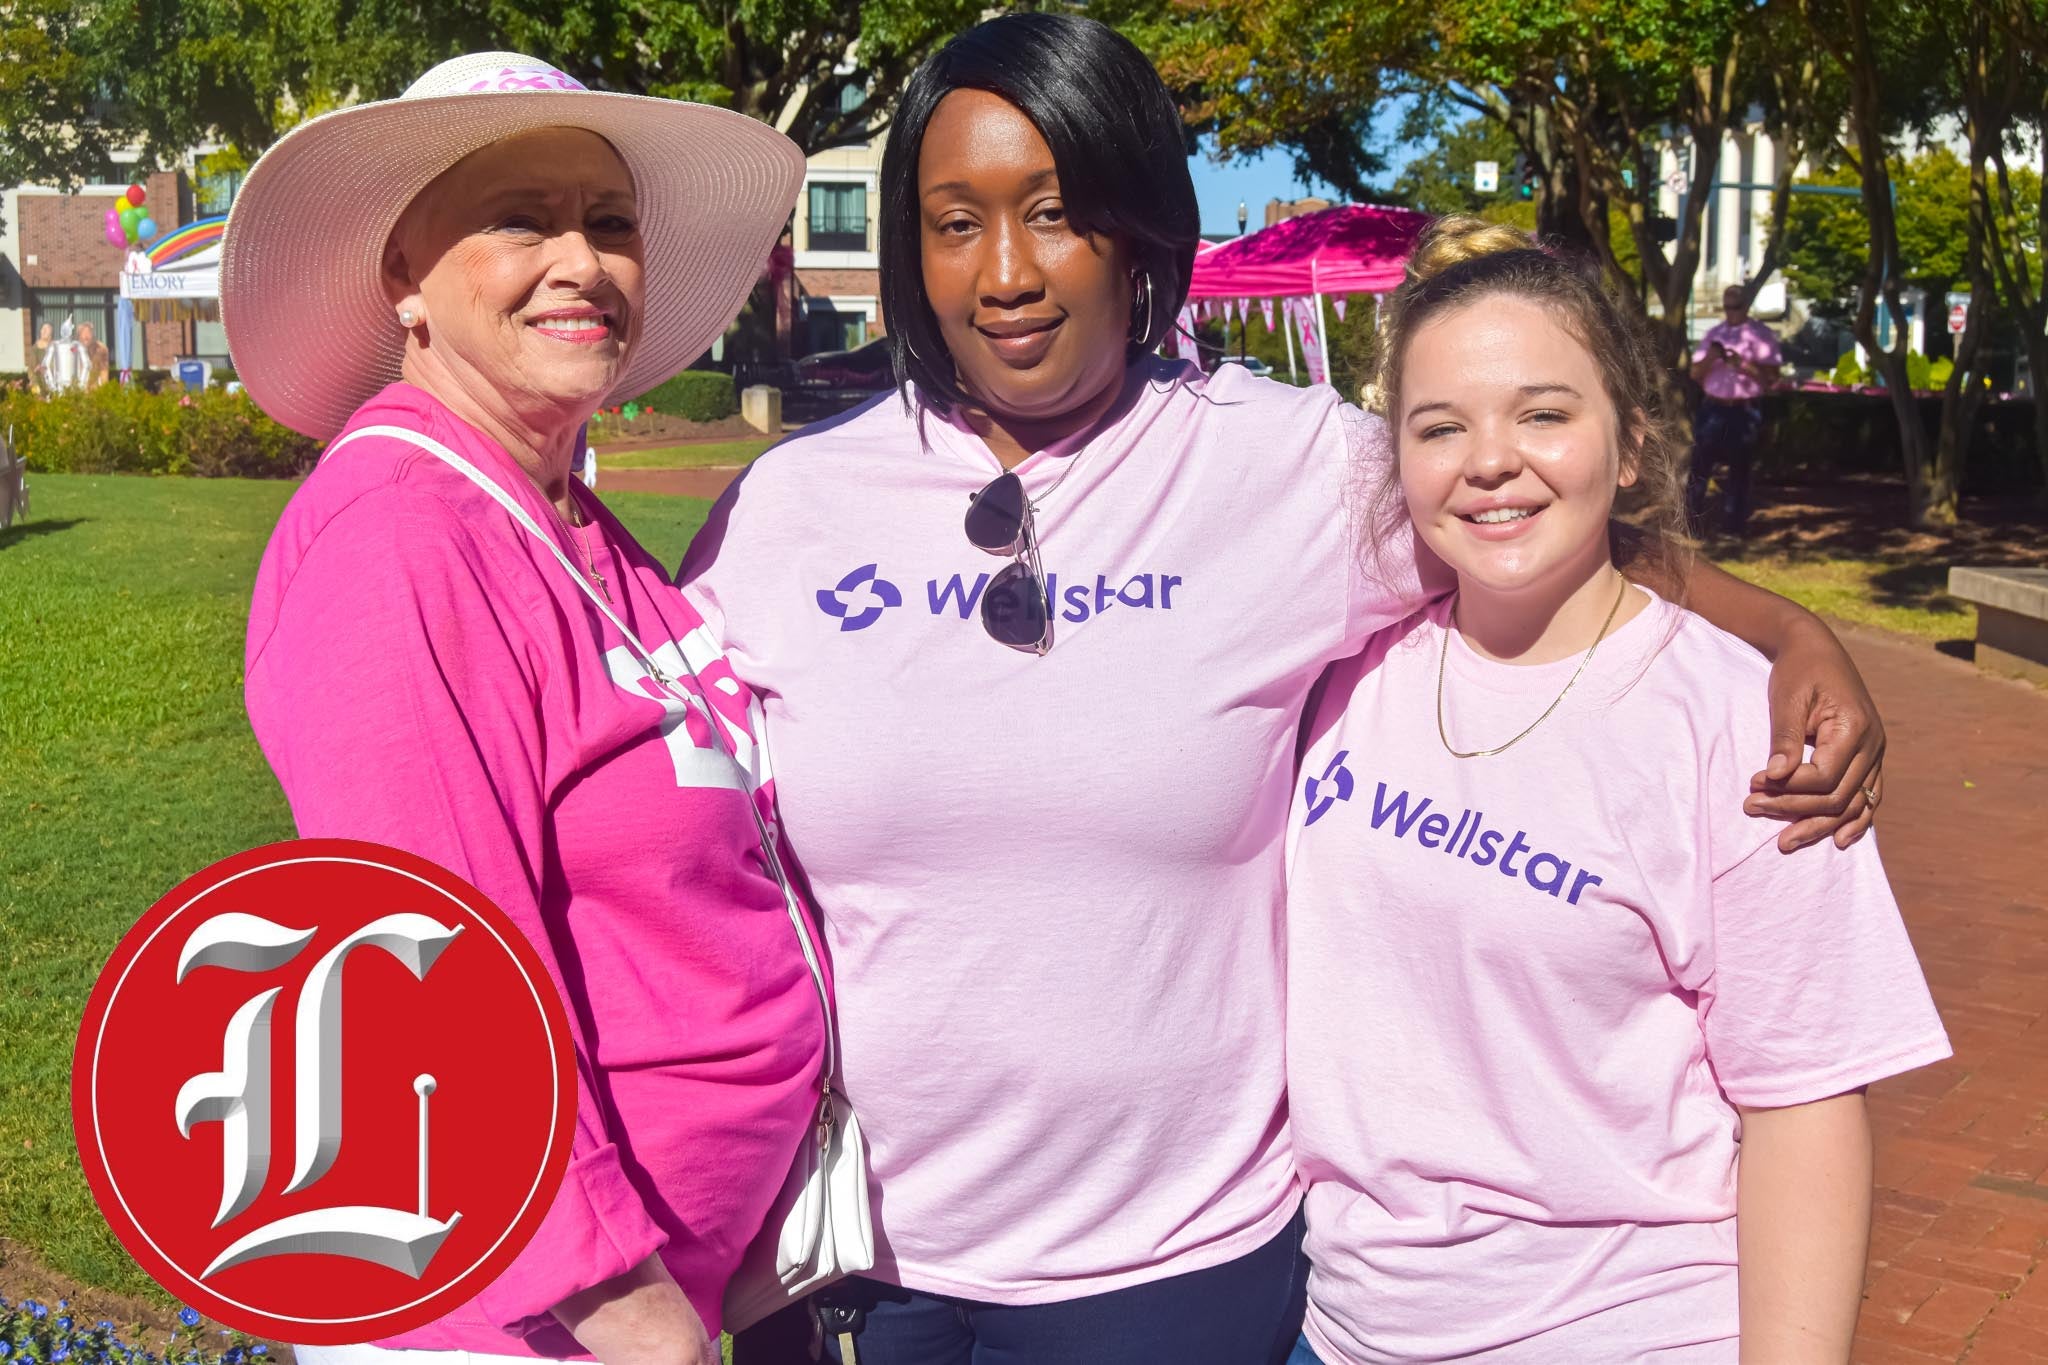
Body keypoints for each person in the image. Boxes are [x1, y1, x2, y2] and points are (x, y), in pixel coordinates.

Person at [680, 16, 1888, 1364]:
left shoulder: (1294, 473)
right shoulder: (786, 513)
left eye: (1059, 214)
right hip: (855, 1264)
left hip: (1171, 1273)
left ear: (1137, 228)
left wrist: (1785, 633)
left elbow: (1514, 507)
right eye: (955, 223)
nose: (1006, 273)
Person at [224, 49, 821, 1365]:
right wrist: (631, 1306)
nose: (582, 260)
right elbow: (423, 958)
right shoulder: (398, 531)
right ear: (407, 281)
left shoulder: (570, 524)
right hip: (523, 1324)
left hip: (697, 1280)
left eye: (609, 223)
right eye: (520, 218)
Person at [1286, 218, 1949, 1365]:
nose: (1489, 459)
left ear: (1628, 443)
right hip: (1339, 1328)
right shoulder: (1347, 662)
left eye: (1542, 414)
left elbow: (1799, 1105)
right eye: (1438, 427)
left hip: (1622, 1328)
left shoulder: (1744, 727)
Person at [1688, 283, 1784, 536]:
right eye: (1727, 307)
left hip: (1743, 409)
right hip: (1713, 408)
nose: (1731, 312)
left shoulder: (1760, 334)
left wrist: (1743, 365)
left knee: (1739, 470)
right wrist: (1712, 357)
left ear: (1747, 306)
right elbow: (1694, 373)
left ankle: (1733, 525)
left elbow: (1772, 379)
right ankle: (1690, 523)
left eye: (1736, 307)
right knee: (1699, 467)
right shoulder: (1714, 333)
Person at [75, 321, 111, 390]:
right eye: (83, 332)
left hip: (94, 389)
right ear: (78, 336)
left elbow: (104, 372)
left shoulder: (100, 349)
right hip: (76, 389)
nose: (86, 336)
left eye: (89, 332)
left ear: (93, 335)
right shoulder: (73, 349)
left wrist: (104, 391)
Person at [27, 322, 53, 396]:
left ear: (51, 334)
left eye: (47, 329)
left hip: (52, 384)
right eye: (43, 329)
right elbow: (32, 369)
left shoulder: (54, 348)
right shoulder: (34, 349)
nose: (44, 331)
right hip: (38, 384)